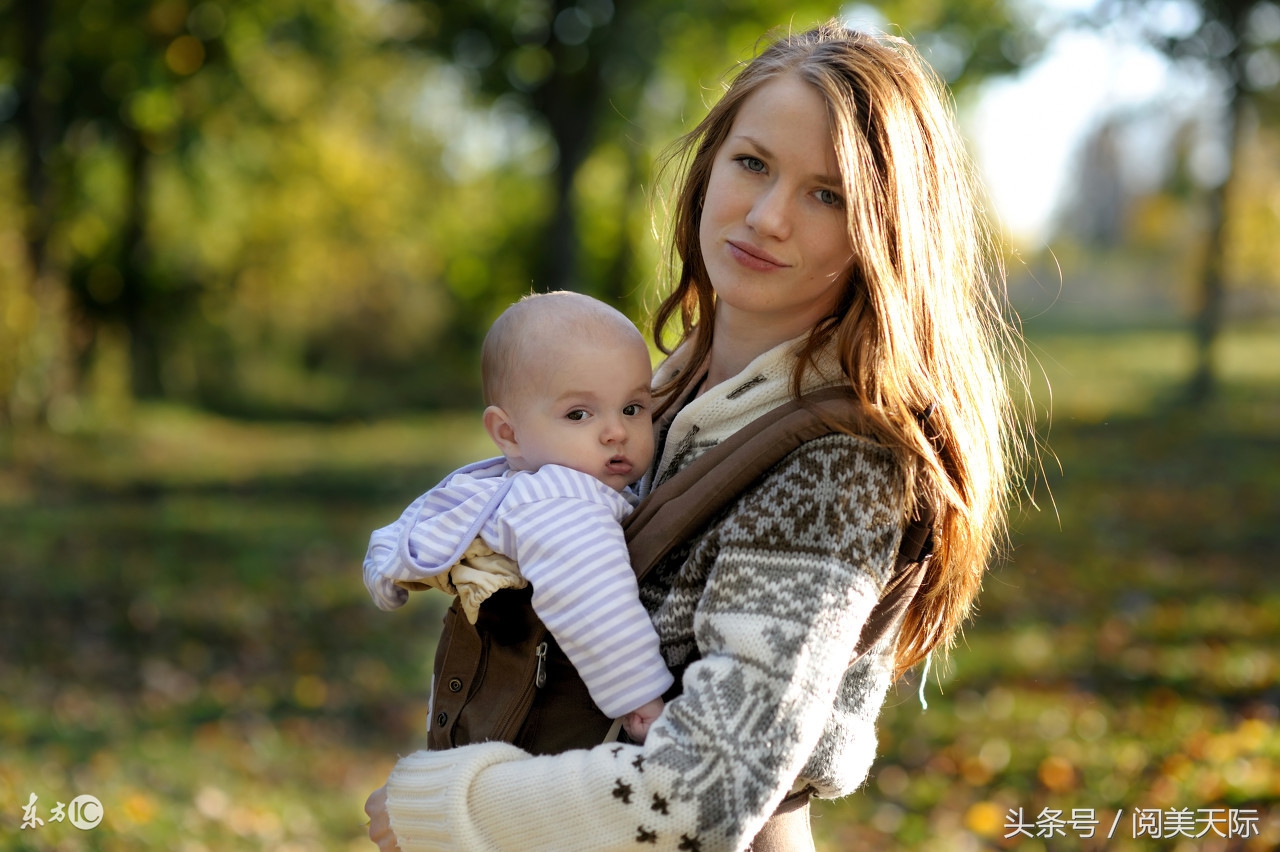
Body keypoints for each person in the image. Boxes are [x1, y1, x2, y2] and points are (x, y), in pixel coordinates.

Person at [366, 19, 1027, 852]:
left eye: (828, 194)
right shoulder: (657, 398)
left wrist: (453, 809)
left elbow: (702, 796)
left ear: (885, 232)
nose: (766, 216)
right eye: (752, 164)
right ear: (710, 165)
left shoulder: (842, 463)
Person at [362, 291, 673, 742]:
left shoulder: (535, 484)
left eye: (632, 408)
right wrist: (639, 698)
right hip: (517, 725)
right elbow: (591, 595)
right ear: (508, 433)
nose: (615, 432)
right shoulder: (563, 501)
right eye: (578, 413)